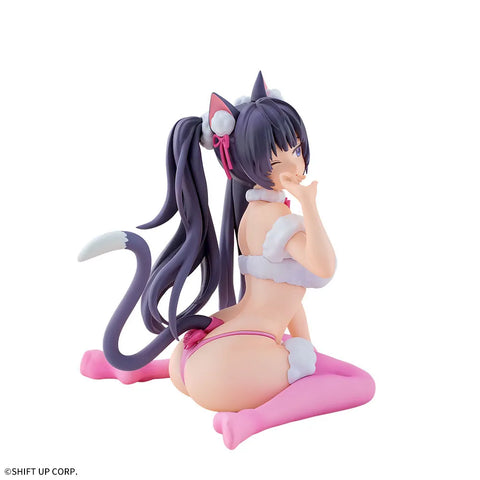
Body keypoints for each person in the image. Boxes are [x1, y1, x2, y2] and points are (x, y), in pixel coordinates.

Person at [79, 72, 375, 449]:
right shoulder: (280, 219)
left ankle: (135, 368)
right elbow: (324, 267)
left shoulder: (252, 213)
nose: (294, 165)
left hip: (192, 359)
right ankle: (252, 420)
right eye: (277, 158)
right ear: (245, 163)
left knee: (306, 357)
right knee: (361, 383)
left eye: (297, 149)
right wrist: (310, 206)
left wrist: (306, 345)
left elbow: (287, 296)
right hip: (223, 373)